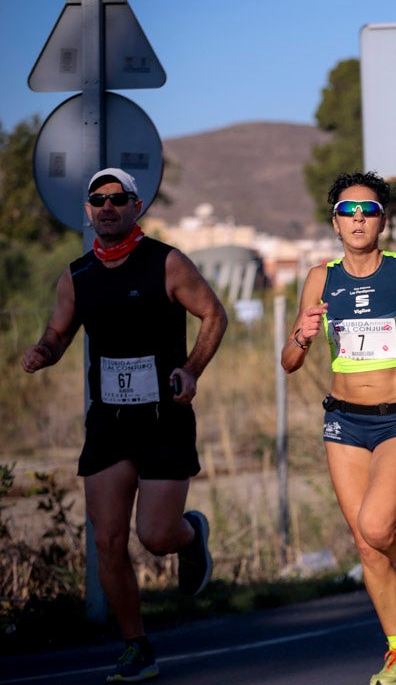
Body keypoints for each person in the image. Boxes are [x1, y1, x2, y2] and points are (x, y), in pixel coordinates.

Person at [21, 168, 228, 683]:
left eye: (118, 198)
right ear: (89, 211)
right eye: (98, 199)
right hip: (110, 422)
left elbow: (214, 314)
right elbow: (59, 331)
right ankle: (136, 645)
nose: (108, 206)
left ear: (136, 207)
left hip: (164, 419)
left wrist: (191, 369)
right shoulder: (78, 275)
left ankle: (190, 534)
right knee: (109, 541)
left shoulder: (167, 262)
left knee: (154, 537)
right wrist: (43, 352)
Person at [282, 172, 396, 685]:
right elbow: (290, 360)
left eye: (369, 209)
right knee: (363, 542)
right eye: (347, 210)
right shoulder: (320, 277)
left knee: (381, 525)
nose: (358, 218)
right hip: (343, 418)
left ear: (382, 218)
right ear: (334, 220)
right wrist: (302, 333)